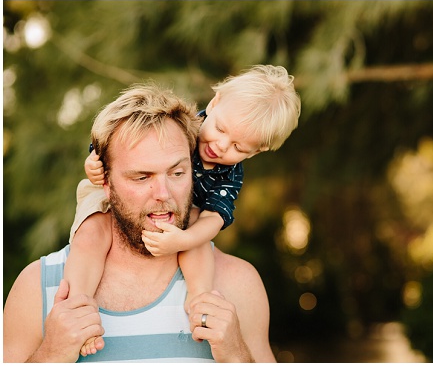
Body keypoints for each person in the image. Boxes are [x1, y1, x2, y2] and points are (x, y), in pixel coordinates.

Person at [3, 84, 276, 362]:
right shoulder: (37, 286)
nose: (163, 194)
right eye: (142, 177)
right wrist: (52, 352)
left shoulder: (239, 285)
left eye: (178, 172)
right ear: (106, 182)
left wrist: (235, 354)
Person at [64, 65, 300, 355]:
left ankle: (200, 298)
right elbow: (120, 141)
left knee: (198, 232)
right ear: (214, 104)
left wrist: (184, 240)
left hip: (185, 212)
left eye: (238, 146)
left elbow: (215, 217)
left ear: (255, 152)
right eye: (221, 129)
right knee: (90, 233)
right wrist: (94, 162)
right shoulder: (182, 126)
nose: (220, 145)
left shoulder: (229, 176)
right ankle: (77, 304)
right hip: (105, 190)